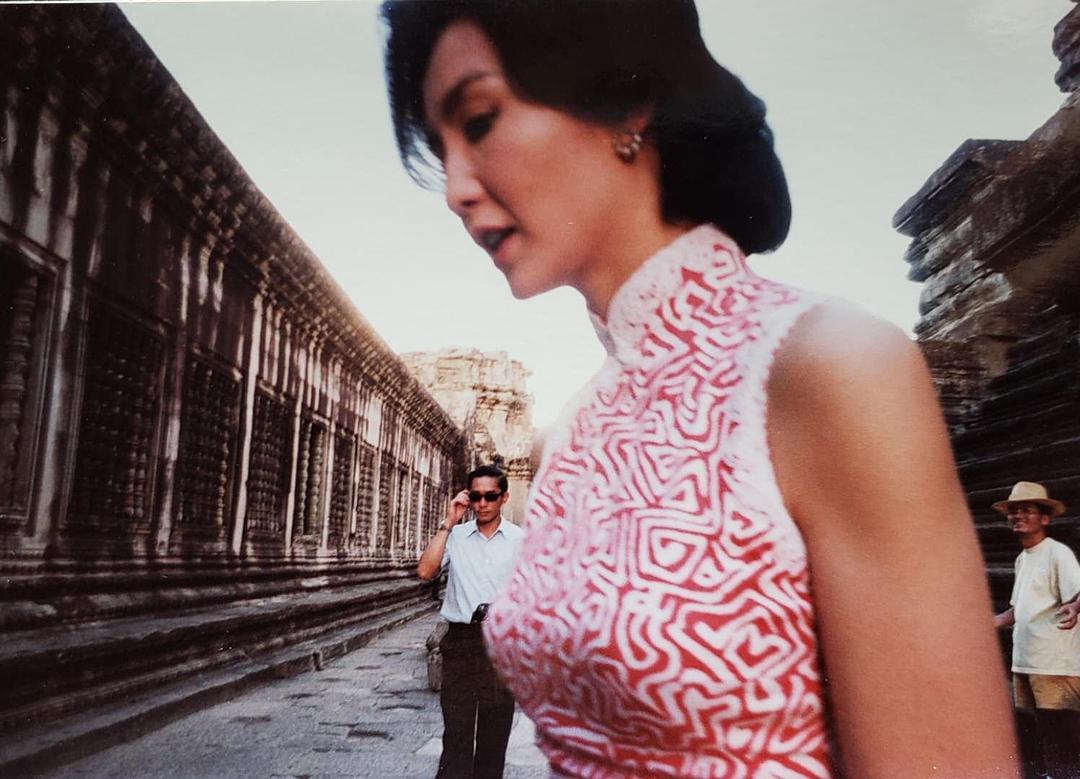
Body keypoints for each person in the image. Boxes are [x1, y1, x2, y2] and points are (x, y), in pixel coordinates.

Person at [381, 1, 1018, 775]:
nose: (455, 187)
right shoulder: (572, 431)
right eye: (440, 150)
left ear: (625, 104)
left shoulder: (828, 370)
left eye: (479, 121)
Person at [416, 464, 524, 779]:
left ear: (504, 498)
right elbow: (425, 571)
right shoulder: (456, 536)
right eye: (476, 496)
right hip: (461, 642)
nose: (482, 504)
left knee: (494, 736)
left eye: (490, 496)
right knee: (456, 732)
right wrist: (448, 522)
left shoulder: (521, 540)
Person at [992, 481, 1080, 776]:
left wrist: (1075, 607)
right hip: (1026, 662)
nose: (1017, 516)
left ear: (1044, 518)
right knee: (1035, 730)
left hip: (1054, 664)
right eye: (1013, 511)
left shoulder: (1057, 553)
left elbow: (1078, 593)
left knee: (1062, 733)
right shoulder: (1023, 559)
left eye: (1027, 510)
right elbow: (1019, 609)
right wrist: (989, 623)